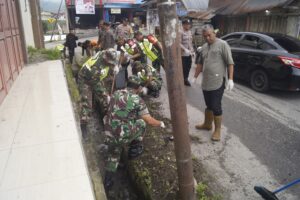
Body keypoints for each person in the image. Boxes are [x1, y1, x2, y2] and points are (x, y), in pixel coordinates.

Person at [103, 75, 165, 189]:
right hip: (120, 135)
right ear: (138, 88)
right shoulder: (137, 99)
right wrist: (160, 123)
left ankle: (107, 181)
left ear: (127, 84)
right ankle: (135, 149)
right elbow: (149, 120)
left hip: (108, 134)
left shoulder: (116, 93)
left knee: (114, 154)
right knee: (141, 123)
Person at [192, 24, 234, 142]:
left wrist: (230, 79)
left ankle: (217, 130)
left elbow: (230, 63)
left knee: (216, 106)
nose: (207, 38)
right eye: (205, 36)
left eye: (209, 35)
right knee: (208, 105)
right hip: (206, 82)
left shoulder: (223, 45)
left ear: (214, 33)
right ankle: (207, 124)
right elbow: (200, 63)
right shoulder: (204, 47)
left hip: (217, 82)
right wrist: (195, 77)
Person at [77, 49, 123, 137]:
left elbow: (118, 54)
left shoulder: (107, 52)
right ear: (106, 60)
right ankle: (84, 127)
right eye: (110, 63)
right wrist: (106, 95)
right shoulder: (95, 67)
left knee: (105, 101)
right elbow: (97, 85)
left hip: (97, 78)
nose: (111, 64)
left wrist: (115, 66)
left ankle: (107, 120)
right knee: (87, 104)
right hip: (86, 80)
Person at [180, 19, 195, 86]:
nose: (188, 25)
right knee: (183, 67)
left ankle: (185, 79)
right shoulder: (180, 32)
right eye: (187, 24)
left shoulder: (189, 32)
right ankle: (182, 80)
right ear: (183, 25)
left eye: (189, 24)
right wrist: (185, 49)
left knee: (189, 66)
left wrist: (192, 51)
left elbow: (190, 43)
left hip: (189, 53)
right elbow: (178, 43)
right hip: (182, 54)